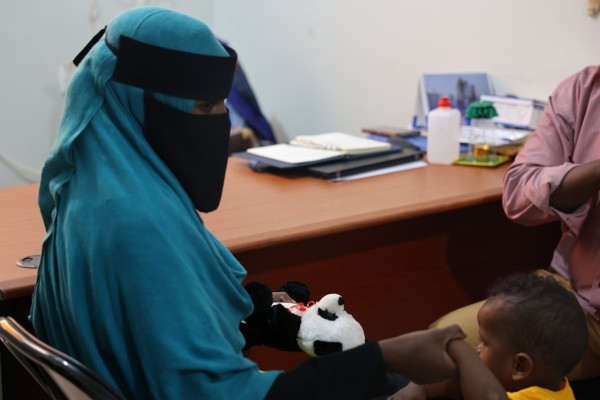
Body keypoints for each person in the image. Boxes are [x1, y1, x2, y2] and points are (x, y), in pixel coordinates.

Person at [30, 6, 470, 400]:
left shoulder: (88, 188)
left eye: (222, 105)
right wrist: (385, 357)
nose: (219, 124)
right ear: (139, 106)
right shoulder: (139, 226)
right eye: (203, 106)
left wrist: (258, 318)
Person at [430, 65, 600, 383]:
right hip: (570, 298)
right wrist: (593, 172)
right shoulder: (584, 89)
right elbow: (518, 195)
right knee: (439, 349)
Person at [390, 272, 588, 399]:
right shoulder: (540, 379)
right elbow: (455, 382)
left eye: (485, 342)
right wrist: (420, 389)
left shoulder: (537, 397)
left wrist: (457, 349)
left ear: (519, 366)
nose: (477, 347)